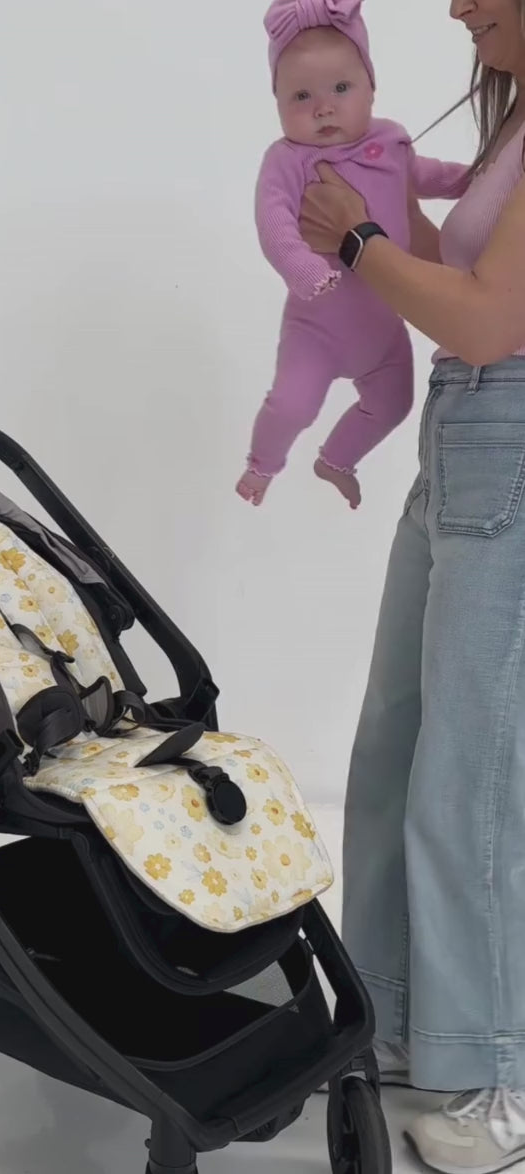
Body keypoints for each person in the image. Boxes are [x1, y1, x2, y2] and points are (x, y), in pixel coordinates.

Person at [298, 0, 525, 1170]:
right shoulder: (509, 123)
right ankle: (393, 1023)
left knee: (469, 781)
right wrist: (379, 207)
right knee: (392, 743)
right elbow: (460, 273)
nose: (452, 7)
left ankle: (490, 1078)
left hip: (507, 428)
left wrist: (355, 245)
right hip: (464, 434)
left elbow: (490, 323)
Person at [236, 0, 467, 511]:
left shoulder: (389, 139)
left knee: (393, 404)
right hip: (315, 328)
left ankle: (336, 460)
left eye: (341, 88)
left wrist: (472, 179)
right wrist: (304, 267)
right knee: (292, 404)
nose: (323, 107)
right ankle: (261, 466)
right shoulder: (286, 160)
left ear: (371, 87)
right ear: (275, 102)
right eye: (301, 95)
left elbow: (425, 174)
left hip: (384, 328)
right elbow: (273, 226)